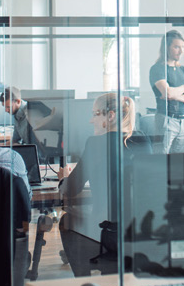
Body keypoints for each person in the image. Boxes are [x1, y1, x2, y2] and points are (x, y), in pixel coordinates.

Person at [59, 93, 151, 276]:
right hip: (142, 231)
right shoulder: (144, 141)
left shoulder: (95, 143)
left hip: (109, 232)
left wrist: (64, 179)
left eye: (95, 114)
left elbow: (71, 190)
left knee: (66, 221)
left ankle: (84, 280)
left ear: (110, 116)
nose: (91, 121)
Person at [149, 29, 184, 153]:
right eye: (176, 47)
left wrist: (176, 95)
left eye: (183, 47)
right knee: (161, 160)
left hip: (183, 121)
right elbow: (167, 93)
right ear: (166, 47)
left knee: (180, 163)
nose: (181, 51)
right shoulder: (157, 69)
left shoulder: (183, 70)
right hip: (166, 120)